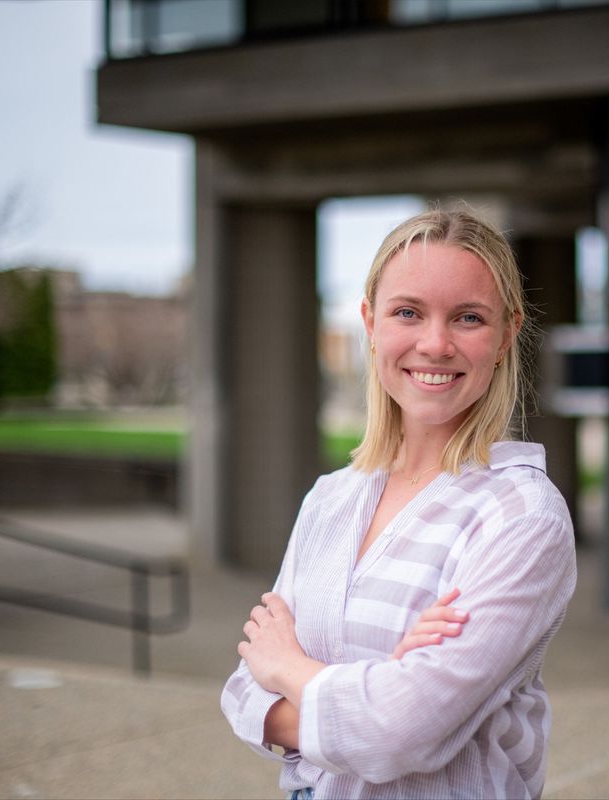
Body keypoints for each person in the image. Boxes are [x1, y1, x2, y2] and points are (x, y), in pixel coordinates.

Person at [221, 208, 577, 799]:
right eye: (408, 312)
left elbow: (398, 734)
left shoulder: (522, 517)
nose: (435, 344)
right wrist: (378, 688)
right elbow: (239, 692)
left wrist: (289, 670)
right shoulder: (331, 498)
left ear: (507, 334)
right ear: (370, 322)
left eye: (468, 318)